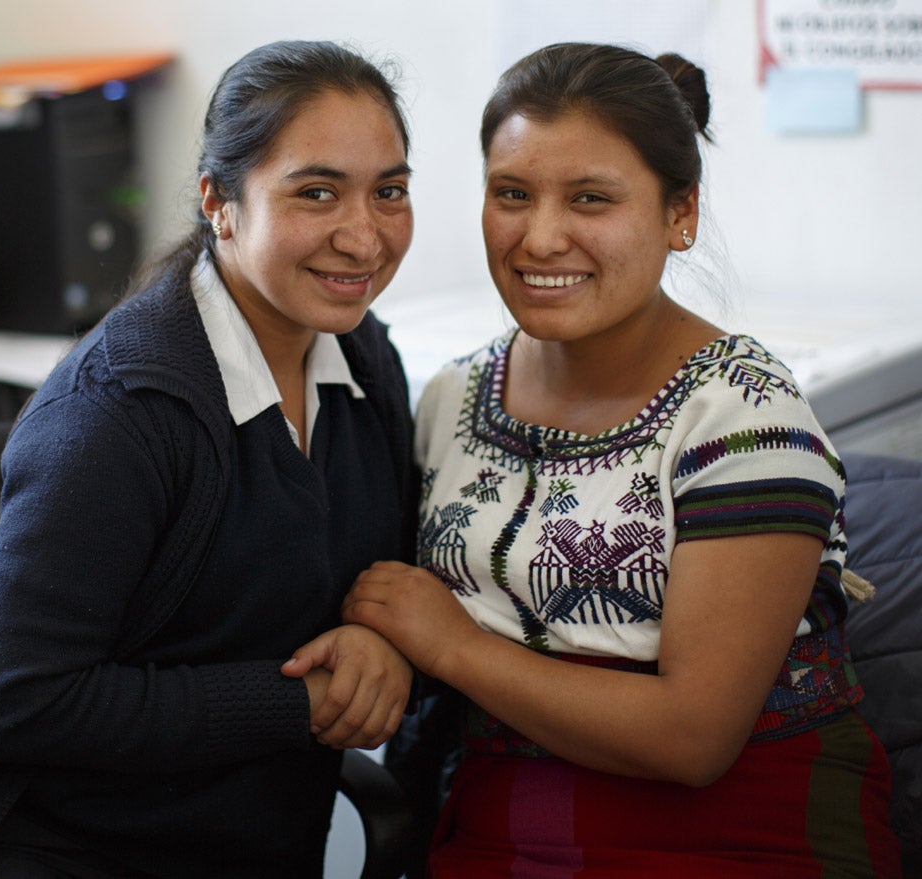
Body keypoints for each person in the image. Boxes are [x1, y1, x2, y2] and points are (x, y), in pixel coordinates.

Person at [330, 42, 902, 877]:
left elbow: (693, 737)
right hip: (501, 829)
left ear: (681, 214)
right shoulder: (449, 398)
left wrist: (452, 646)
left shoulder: (743, 413)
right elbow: (404, 613)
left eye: (591, 199)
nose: (541, 236)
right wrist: (382, 644)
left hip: (737, 836)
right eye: (511, 194)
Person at [0, 40, 417, 878]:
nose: (364, 237)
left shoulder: (361, 357)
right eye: (316, 191)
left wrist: (379, 640)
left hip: (260, 842)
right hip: (73, 848)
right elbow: (15, 701)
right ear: (219, 201)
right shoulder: (123, 409)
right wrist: (296, 703)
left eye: (389, 191)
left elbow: (372, 571)